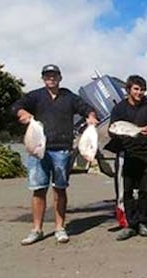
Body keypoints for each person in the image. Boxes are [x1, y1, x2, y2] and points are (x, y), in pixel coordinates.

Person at [12, 64, 98, 245]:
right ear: (43, 78)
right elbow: (17, 106)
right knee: (38, 189)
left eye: (54, 75)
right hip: (38, 150)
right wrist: (23, 113)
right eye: (47, 76)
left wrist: (91, 116)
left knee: (60, 189)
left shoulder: (69, 96)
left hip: (62, 149)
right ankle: (36, 229)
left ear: (60, 77)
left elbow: (86, 107)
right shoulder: (35, 95)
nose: (51, 78)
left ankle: (60, 228)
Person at [106, 75, 147, 241]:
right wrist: (123, 133)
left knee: (146, 190)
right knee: (126, 192)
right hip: (126, 154)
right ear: (128, 90)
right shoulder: (119, 108)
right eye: (136, 89)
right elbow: (112, 130)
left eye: (142, 89)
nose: (140, 92)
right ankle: (130, 224)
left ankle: (143, 222)